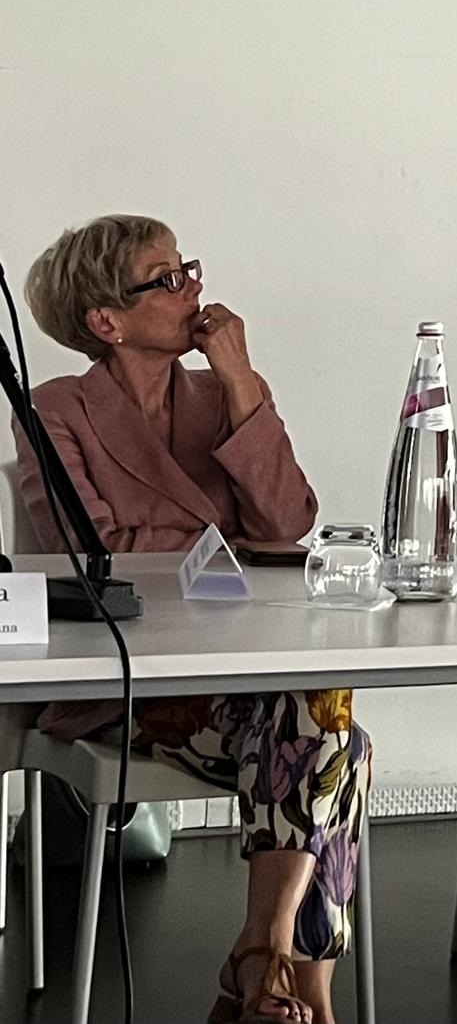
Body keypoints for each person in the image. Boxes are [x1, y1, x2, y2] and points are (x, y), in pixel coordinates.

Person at [13, 215, 370, 1024]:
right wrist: (228, 544)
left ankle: (263, 956)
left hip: (242, 671)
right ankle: (298, 984)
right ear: (106, 321)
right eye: (166, 279)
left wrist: (241, 382)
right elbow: (93, 549)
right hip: (124, 682)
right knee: (337, 740)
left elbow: (288, 522)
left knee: (325, 728)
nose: (194, 289)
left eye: (190, 269)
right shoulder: (55, 409)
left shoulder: (220, 397)